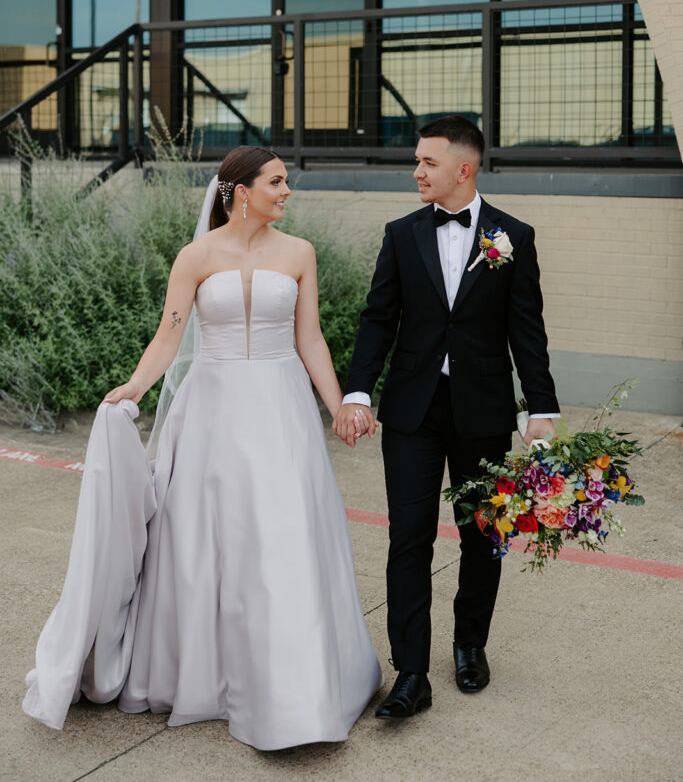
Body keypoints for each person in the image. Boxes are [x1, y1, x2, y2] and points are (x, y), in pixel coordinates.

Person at [24, 145, 381, 750]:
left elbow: (311, 339)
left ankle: (294, 689)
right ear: (241, 190)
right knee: (202, 538)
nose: (287, 191)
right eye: (277, 181)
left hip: (279, 406)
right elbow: (169, 337)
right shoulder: (195, 256)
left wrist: (341, 403)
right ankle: (208, 675)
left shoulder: (299, 253)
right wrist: (134, 388)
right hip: (211, 406)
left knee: (280, 533)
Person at [333, 115, 559, 719]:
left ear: (464, 168)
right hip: (411, 409)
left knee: (483, 533)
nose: (416, 172)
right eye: (416, 161)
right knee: (409, 535)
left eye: (427, 162)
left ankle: (469, 645)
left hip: (483, 411)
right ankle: (410, 671)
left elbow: (526, 330)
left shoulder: (514, 236)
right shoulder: (402, 234)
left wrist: (541, 408)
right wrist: (358, 392)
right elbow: (379, 317)